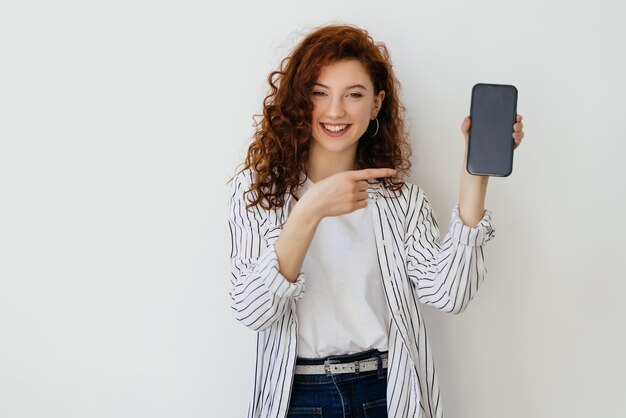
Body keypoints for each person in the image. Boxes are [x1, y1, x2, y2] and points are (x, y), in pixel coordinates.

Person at [227, 23, 525, 418]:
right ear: (301, 101)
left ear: (377, 103)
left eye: (353, 95)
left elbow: (449, 294)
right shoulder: (258, 192)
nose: (335, 111)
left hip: (385, 394)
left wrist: (476, 174)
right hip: (298, 396)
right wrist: (312, 208)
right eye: (320, 94)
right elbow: (252, 310)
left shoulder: (400, 200)